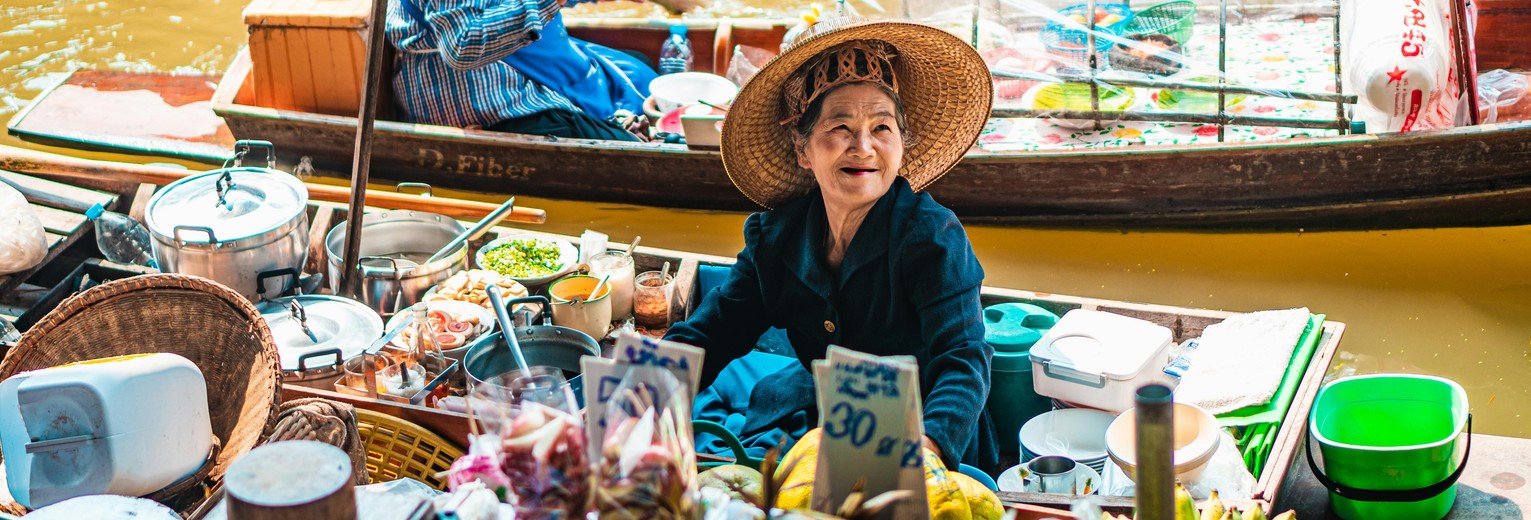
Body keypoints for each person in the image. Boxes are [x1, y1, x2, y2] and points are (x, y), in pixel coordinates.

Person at [664, 19, 999, 472]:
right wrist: (645, 388)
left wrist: (927, 449)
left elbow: (962, 359)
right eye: (840, 126)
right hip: (832, 419)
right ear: (803, 150)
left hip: (923, 432)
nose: (863, 147)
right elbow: (713, 331)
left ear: (901, 145)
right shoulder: (776, 236)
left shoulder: (932, 237)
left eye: (882, 128)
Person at [386, 0, 663, 141]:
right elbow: (463, 43)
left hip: (516, 59)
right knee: (634, 145)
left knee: (641, 69)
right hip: (476, 91)